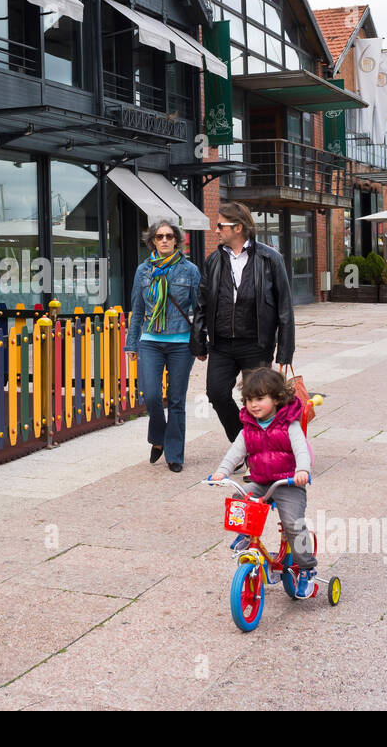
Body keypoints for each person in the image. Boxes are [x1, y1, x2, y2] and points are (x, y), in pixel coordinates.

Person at [191, 201, 295, 443]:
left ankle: (260, 452)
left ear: (238, 228)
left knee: (258, 400)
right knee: (216, 394)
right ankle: (245, 443)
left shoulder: (270, 259)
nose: (216, 230)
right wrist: (197, 341)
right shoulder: (213, 261)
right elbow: (202, 303)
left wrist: (285, 351)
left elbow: (285, 308)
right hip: (222, 344)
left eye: (220, 226)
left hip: (256, 343)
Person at [210, 367, 316, 598]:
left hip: (288, 483)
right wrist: (222, 472)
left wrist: (302, 471)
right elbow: (235, 452)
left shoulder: (290, 425)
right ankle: (245, 535)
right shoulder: (248, 428)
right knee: (240, 496)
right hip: (261, 481)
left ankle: (307, 568)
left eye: (260, 399)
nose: (253, 405)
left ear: (277, 399)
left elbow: (302, 450)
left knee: (293, 524)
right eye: (249, 400)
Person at [125, 220, 201, 472]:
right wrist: (131, 345)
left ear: (177, 240)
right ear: (153, 241)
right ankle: (158, 438)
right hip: (150, 342)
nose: (165, 240)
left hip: (181, 343)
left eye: (169, 236)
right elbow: (137, 309)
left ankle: (175, 454)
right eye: (159, 237)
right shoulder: (143, 271)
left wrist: (202, 343)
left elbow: (199, 309)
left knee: (177, 400)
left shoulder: (190, 270)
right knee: (152, 395)